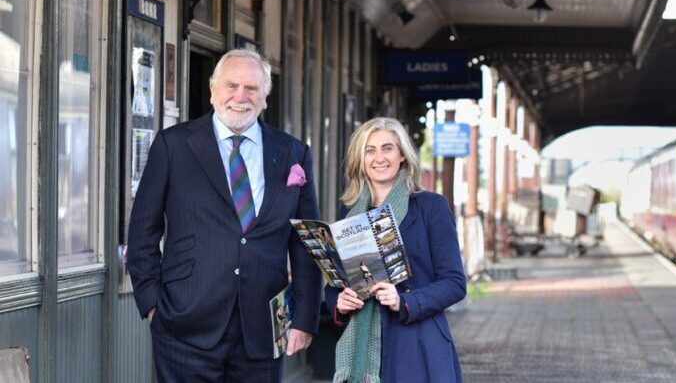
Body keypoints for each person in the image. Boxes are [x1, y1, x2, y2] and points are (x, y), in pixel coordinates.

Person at [127, 49, 322, 382]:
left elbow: (306, 244)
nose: (240, 97)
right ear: (213, 90)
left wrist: (304, 319)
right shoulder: (173, 146)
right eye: (231, 86)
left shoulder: (293, 153)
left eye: (251, 89)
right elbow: (142, 232)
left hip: (262, 329)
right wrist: (152, 307)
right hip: (185, 324)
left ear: (265, 98)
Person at [326, 117, 466, 382]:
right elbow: (337, 283)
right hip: (361, 349)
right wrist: (339, 303)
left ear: (402, 154)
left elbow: (455, 283)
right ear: (361, 159)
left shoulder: (431, 207)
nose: (379, 157)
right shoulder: (350, 214)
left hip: (418, 346)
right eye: (370, 150)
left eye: (387, 148)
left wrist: (404, 301)